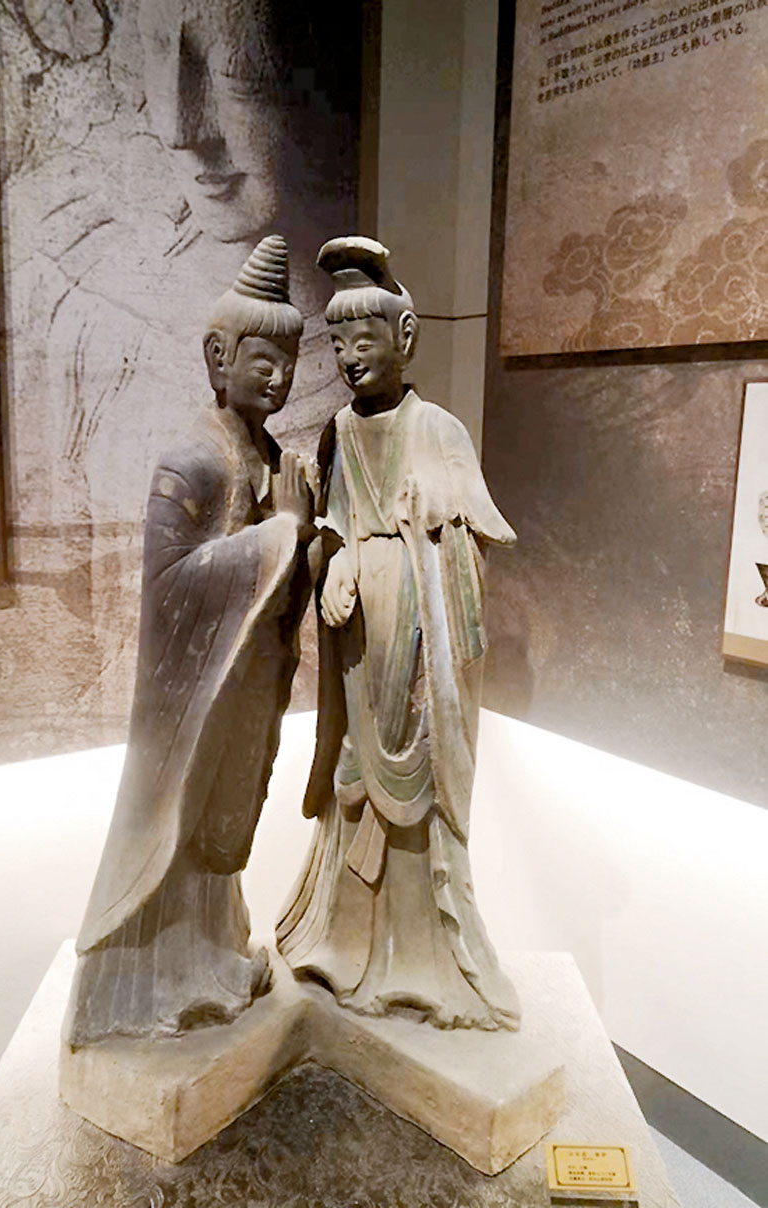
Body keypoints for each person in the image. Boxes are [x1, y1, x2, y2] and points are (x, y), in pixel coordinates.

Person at [65, 235, 315, 1043]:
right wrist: (280, 535)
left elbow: (292, 569)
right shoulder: (190, 462)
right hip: (192, 691)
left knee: (224, 822)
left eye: (288, 362)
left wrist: (311, 547)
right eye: (261, 360)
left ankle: (210, 952)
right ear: (217, 357)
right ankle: (157, 979)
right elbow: (169, 583)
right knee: (180, 820)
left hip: (247, 677)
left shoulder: (274, 459)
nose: (277, 378)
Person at [277, 237, 521, 1031]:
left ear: (405, 337)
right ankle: (344, 940)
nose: (349, 359)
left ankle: (417, 958)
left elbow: (470, 551)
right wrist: (335, 559)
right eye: (337, 344)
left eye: (365, 341)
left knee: (413, 794)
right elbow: (328, 522)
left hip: (415, 647)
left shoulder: (439, 431)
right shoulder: (336, 433)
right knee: (354, 776)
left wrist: (424, 542)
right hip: (357, 642)